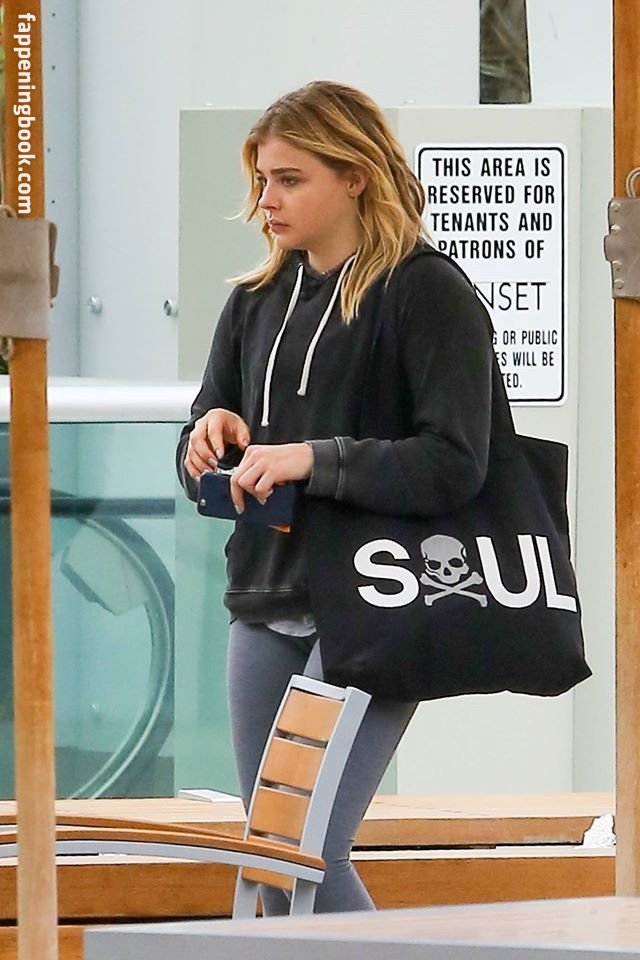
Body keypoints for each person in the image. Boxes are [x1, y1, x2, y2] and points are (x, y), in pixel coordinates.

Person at [176, 80, 495, 914]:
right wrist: (206, 439)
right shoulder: (253, 300)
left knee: (305, 850)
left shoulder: (427, 291)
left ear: (355, 175)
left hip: (374, 602)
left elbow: (456, 461)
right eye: (262, 180)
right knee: (272, 857)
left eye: (290, 179)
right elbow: (200, 442)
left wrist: (311, 461)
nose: (267, 201)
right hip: (264, 596)